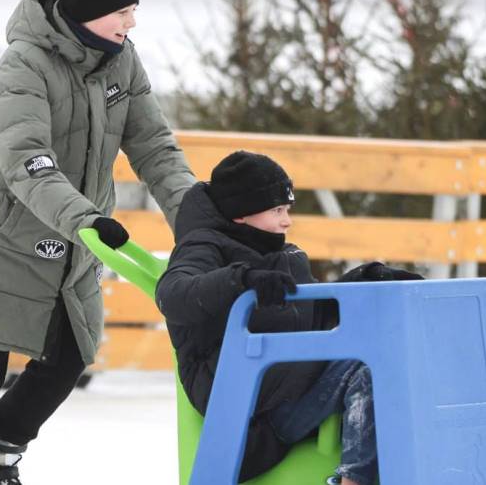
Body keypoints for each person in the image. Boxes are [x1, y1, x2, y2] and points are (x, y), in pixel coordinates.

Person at [0, 0, 195, 483]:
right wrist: (85, 217)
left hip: (74, 233)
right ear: (89, 11)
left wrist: (197, 222)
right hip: (4, 231)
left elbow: (155, 148)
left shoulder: (122, 63)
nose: (132, 22)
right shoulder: (24, 64)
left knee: (70, 356)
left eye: (135, 9)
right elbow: (28, 161)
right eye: (123, 10)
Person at [156, 151, 421, 485]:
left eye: (287, 210)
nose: (286, 221)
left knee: (386, 357)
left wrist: (368, 279)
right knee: (366, 367)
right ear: (241, 215)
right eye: (277, 210)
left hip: (288, 381)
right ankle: (354, 480)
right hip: (247, 402)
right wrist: (241, 279)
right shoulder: (204, 248)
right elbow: (173, 294)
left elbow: (310, 312)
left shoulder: (280, 254)